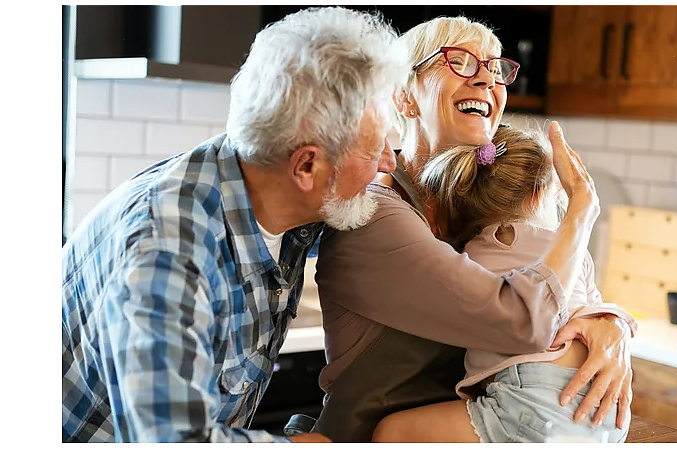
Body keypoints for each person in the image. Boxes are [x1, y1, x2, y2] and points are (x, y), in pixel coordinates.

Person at [61, 7, 408, 443]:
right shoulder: (168, 249)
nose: (388, 162)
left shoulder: (274, 190)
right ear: (306, 166)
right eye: (375, 149)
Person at [310, 16, 636, 442]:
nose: (486, 79)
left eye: (495, 68)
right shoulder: (374, 212)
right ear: (404, 97)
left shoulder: (490, 206)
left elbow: (570, 288)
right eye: (459, 61)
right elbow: (524, 320)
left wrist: (610, 323)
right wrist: (581, 212)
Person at [371, 124, 637, 443]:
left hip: (533, 397)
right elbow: (600, 310)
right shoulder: (573, 250)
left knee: (392, 432)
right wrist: (617, 322)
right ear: (538, 196)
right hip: (607, 411)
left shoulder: (469, 253)